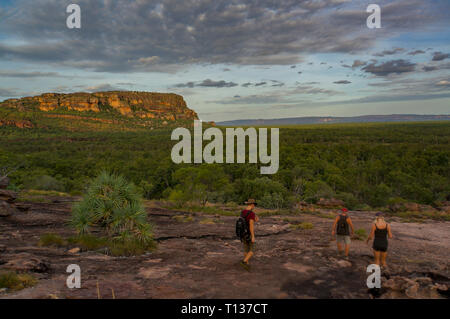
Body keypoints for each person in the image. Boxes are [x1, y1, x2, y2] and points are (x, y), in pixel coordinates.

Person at [240, 199, 259, 271]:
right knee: (252, 251)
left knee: (246, 249)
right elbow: (251, 225)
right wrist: (253, 236)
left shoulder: (243, 212)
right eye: (254, 204)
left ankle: (247, 265)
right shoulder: (251, 214)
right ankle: (244, 262)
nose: (254, 206)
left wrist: (254, 214)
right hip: (249, 234)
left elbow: (256, 219)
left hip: (243, 233)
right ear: (252, 204)